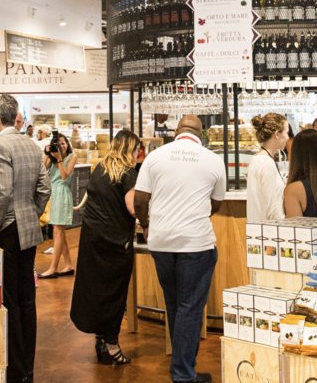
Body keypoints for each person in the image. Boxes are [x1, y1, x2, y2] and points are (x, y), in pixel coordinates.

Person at [134, 114, 225, 383]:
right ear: (201, 134)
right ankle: (183, 374)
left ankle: (184, 365)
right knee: (190, 306)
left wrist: (146, 224)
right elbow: (216, 203)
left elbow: (140, 200)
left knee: (175, 304)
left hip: (161, 242)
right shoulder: (212, 159)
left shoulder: (155, 156)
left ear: (176, 131)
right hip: (196, 242)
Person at [0, 94, 50, 383]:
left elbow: (1, 194)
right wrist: (31, 213)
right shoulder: (31, 143)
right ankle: (27, 368)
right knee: (27, 299)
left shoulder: (1, 144)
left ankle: (14, 371)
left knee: (10, 300)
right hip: (28, 228)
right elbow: (45, 188)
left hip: (8, 230)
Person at [70, 129, 142, 365]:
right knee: (114, 295)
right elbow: (132, 208)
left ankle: (101, 341)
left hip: (92, 239)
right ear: (130, 148)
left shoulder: (100, 168)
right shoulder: (127, 173)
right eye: (136, 150)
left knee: (98, 291)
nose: (137, 154)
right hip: (115, 242)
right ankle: (111, 345)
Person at [38, 132, 76, 278]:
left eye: (63, 143)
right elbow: (42, 169)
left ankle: (53, 268)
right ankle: (68, 265)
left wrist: (59, 159)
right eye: (58, 144)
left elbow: (65, 176)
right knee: (60, 232)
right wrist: (47, 154)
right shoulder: (53, 157)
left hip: (62, 193)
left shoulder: (72, 157)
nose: (61, 146)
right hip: (53, 194)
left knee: (57, 231)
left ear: (67, 143)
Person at [246, 112, 288, 222]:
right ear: (277, 134)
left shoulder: (258, 159)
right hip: (270, 230)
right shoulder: (266, 163)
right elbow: (272, 211)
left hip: (258, 228)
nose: (288, 137)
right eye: (286, 133)